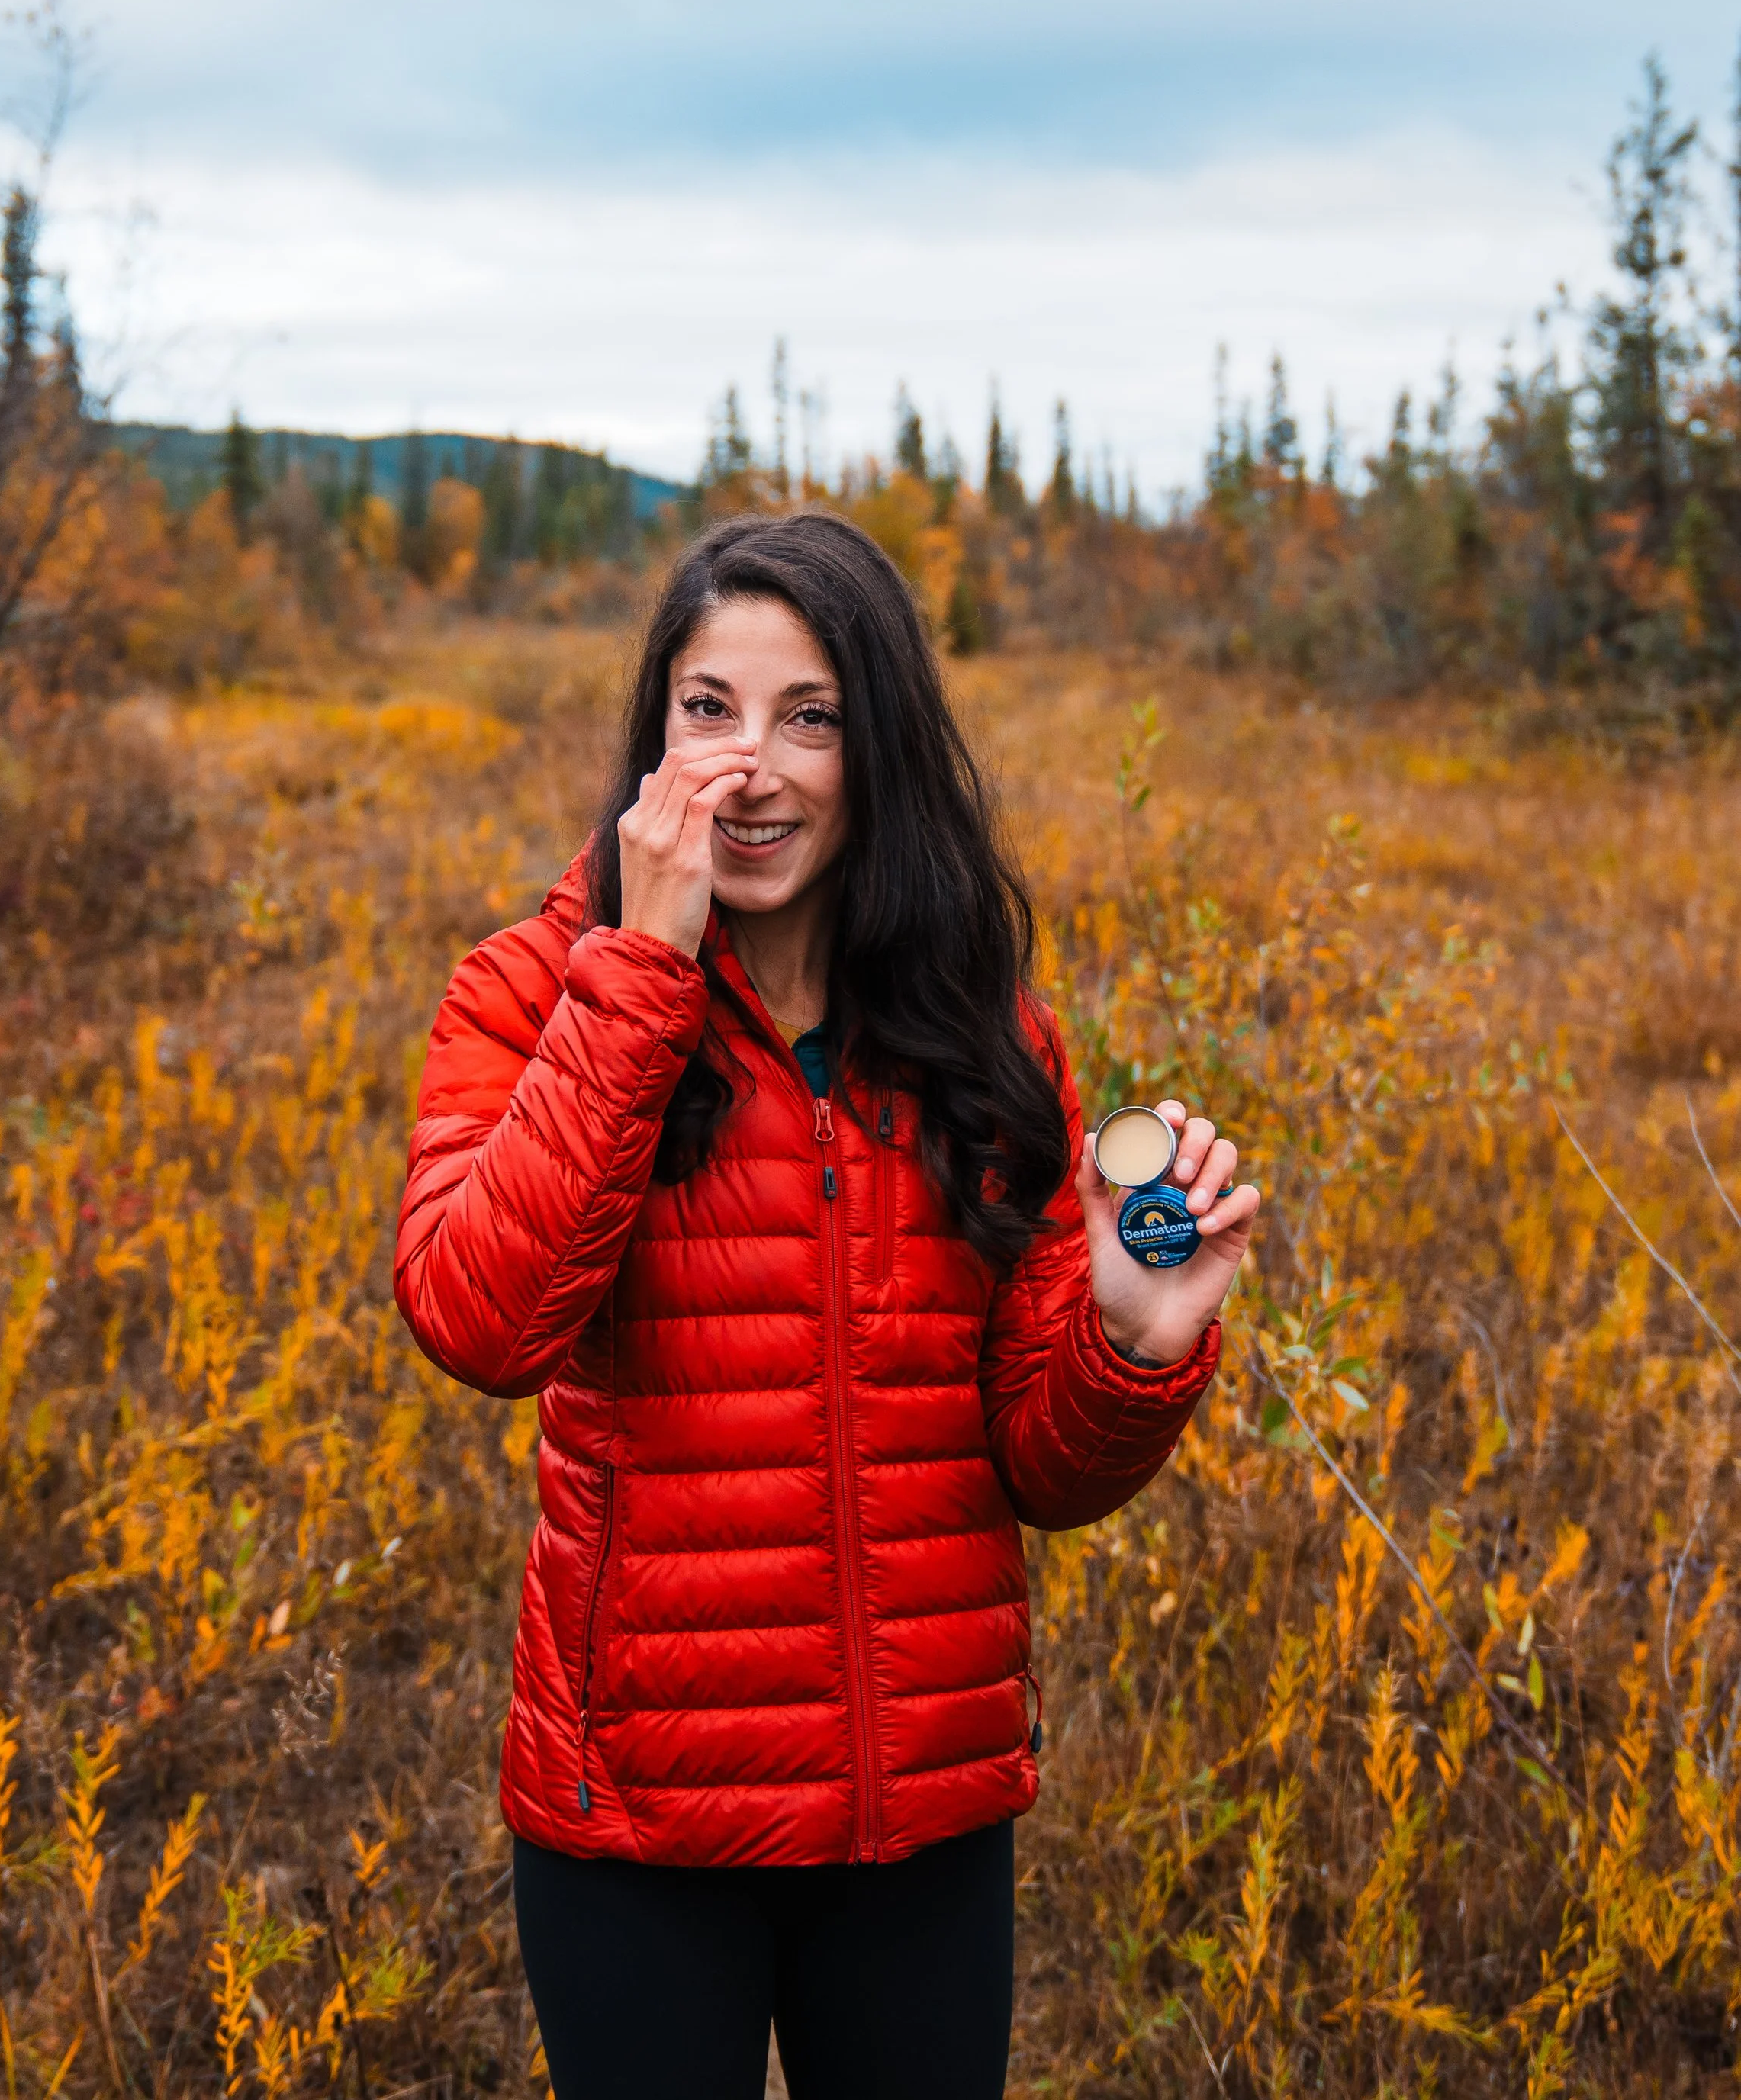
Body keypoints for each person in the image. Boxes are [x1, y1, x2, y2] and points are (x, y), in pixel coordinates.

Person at [394, 513, 1259, 2100]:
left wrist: (1134, 1332)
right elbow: (477, 1320)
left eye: (812, 716)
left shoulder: (974, 1030)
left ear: (882, 747)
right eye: (707, 708)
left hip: (918, 1815)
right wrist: (642, 970)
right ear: (654, 734)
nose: (754, 769)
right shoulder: (533, 988)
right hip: (642, 1813)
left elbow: (1039, 1468)